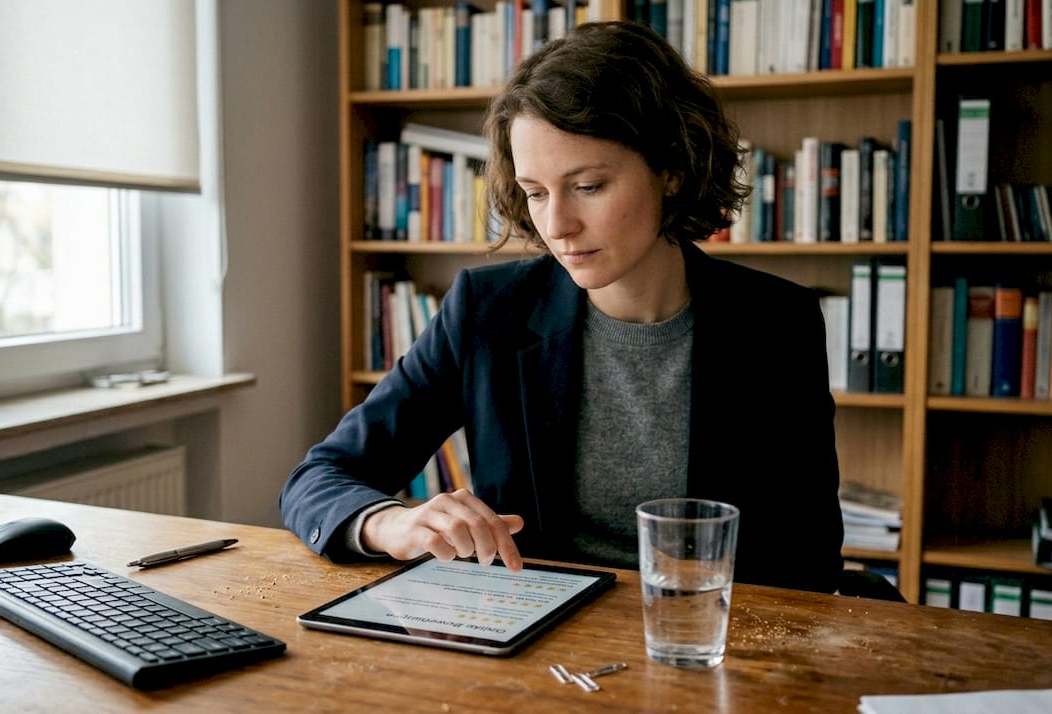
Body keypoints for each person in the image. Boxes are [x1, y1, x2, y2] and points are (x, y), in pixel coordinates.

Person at [281, 21, 843, 593]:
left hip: (706, 645)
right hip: (532, 644)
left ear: (672, 168)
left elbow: (809, 558)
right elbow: (321, 477)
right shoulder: (485, 310)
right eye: (536, 192)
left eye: (589, 186)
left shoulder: (779, 322)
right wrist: (391, 522)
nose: (557, 226)